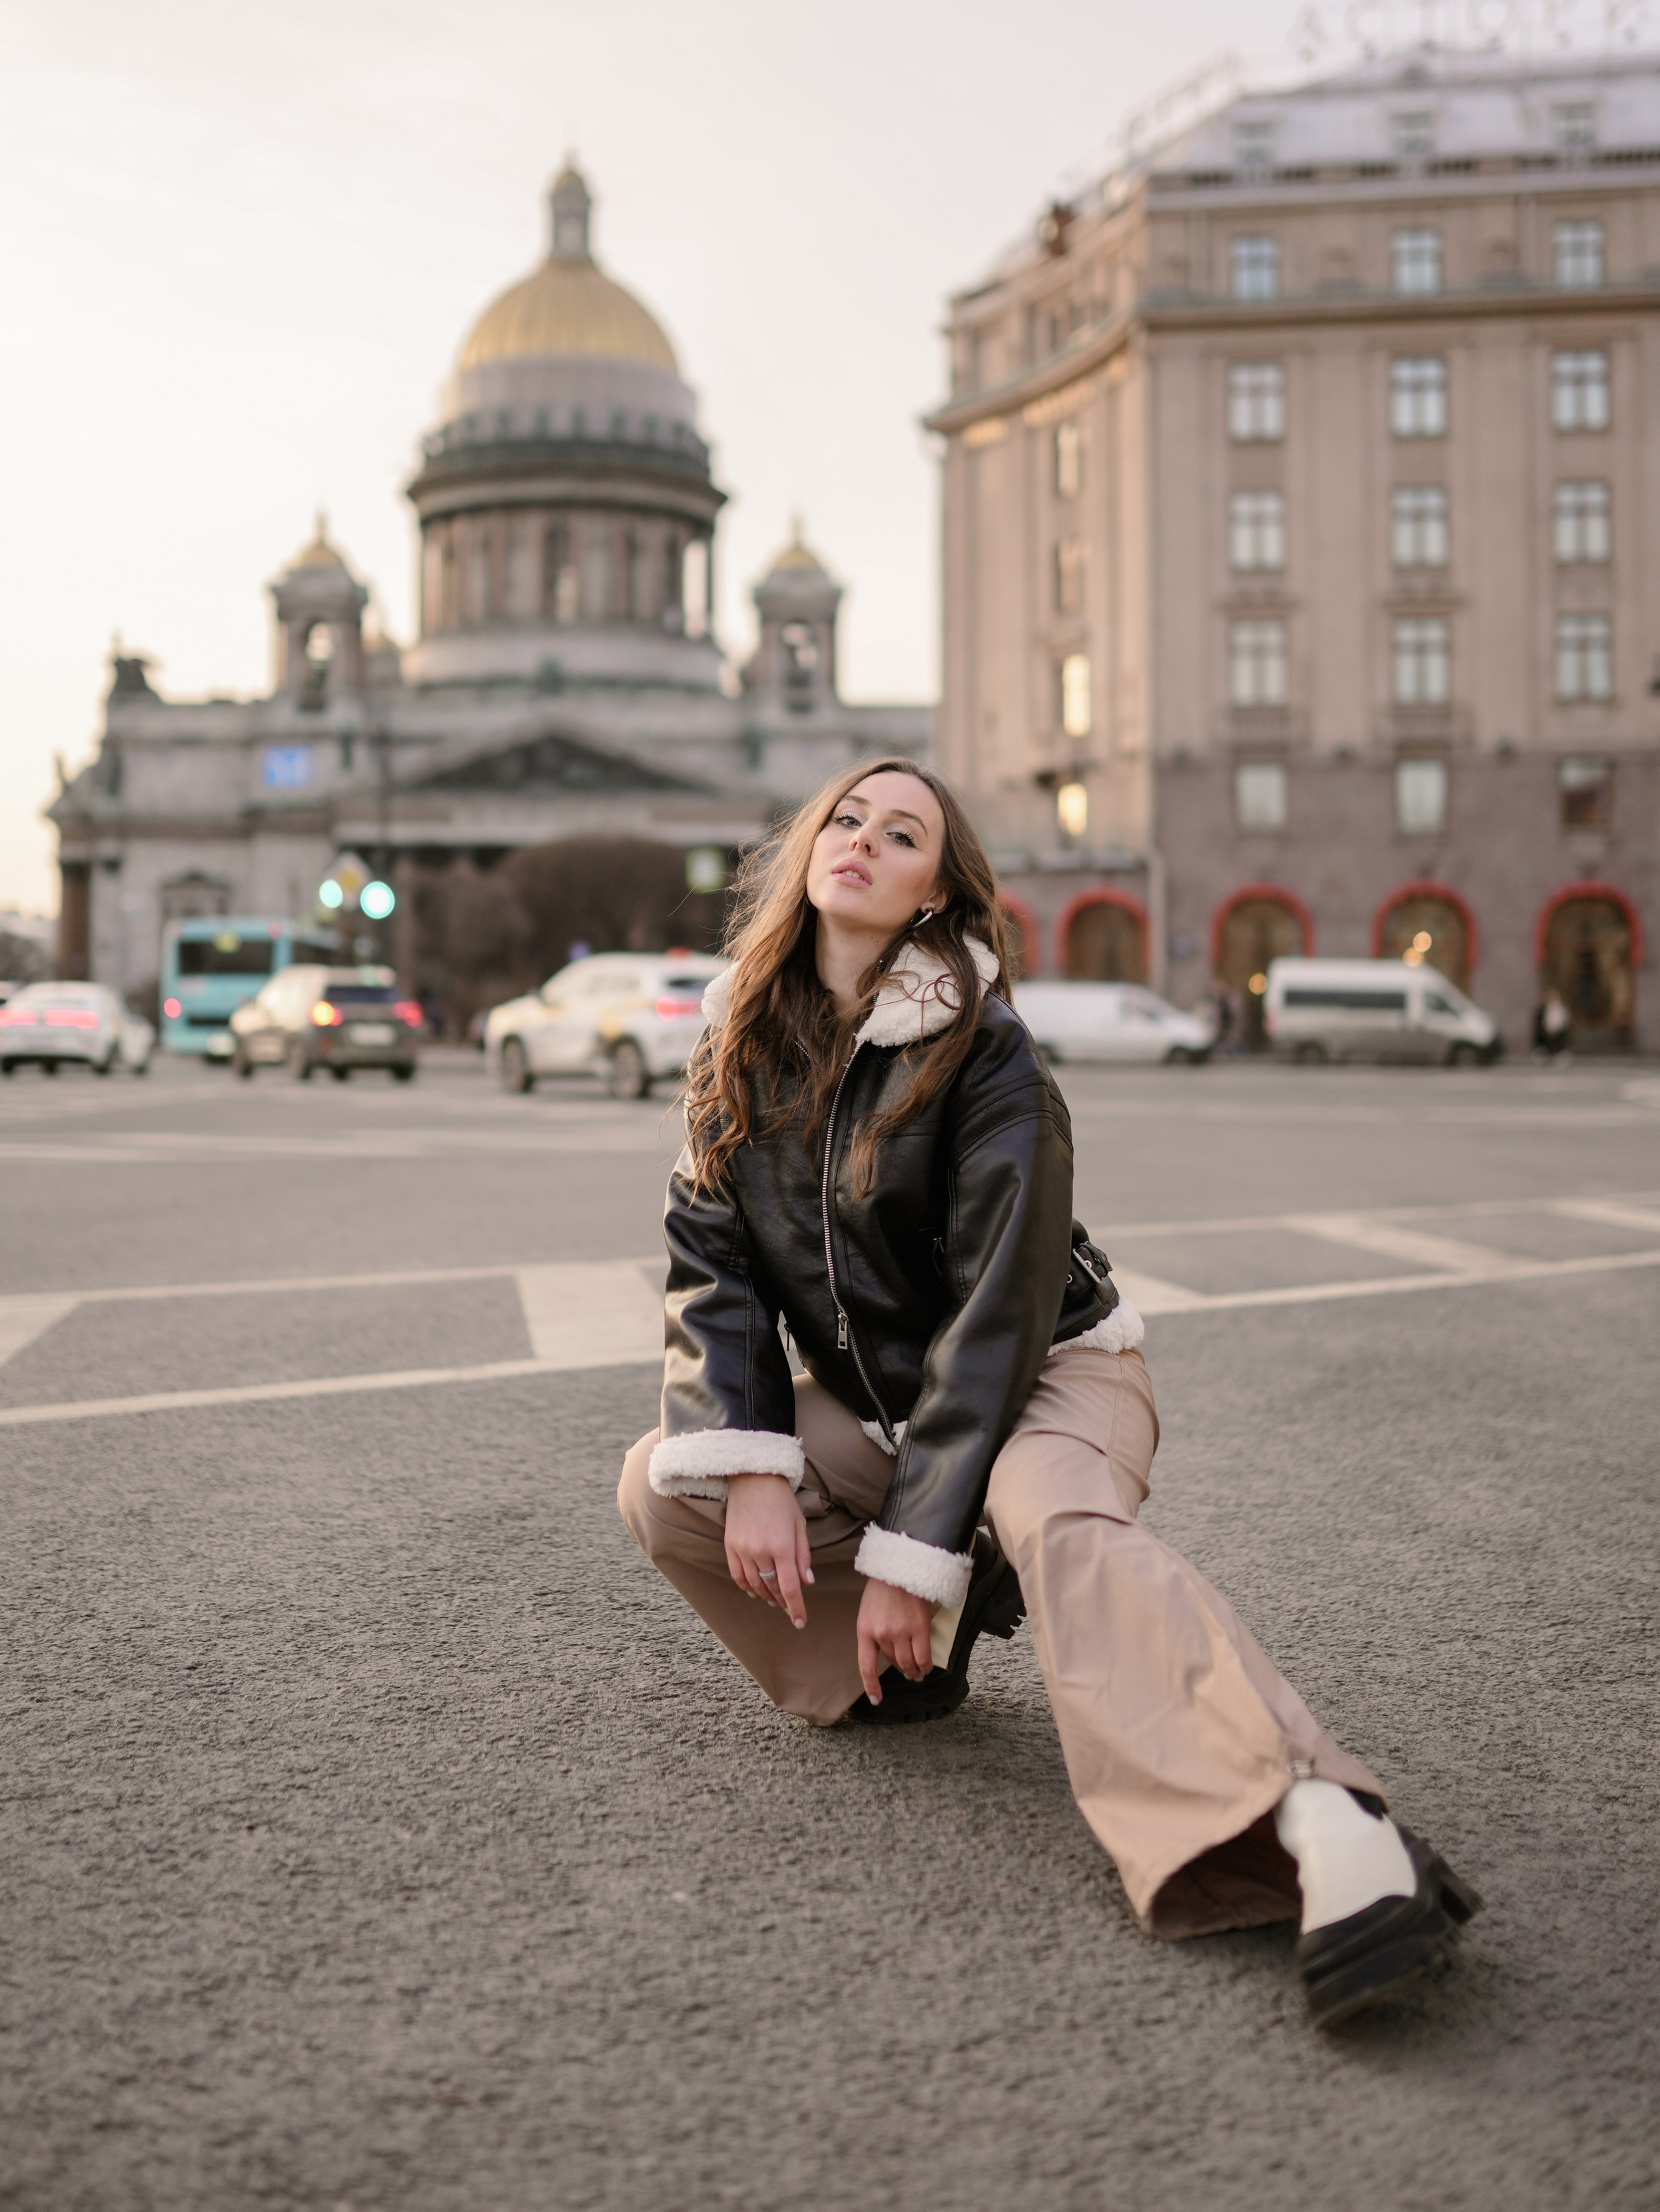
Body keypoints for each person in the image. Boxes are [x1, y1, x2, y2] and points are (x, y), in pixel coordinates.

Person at [618, 759, 1480, 2029]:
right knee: (662, 1488)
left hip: (1054, 1373)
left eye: (900, 833)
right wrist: (751, 1463)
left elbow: (1000, 1313)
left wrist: (917, 1543)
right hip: (895, 1415)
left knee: (1060, 1523)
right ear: (808, 851)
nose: (861, 840)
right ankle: (898, 1670)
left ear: (930, 894)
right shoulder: (740, 1044)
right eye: (844, 819)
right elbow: (716, 1270)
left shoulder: (988, 1054)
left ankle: (1316, 1819)